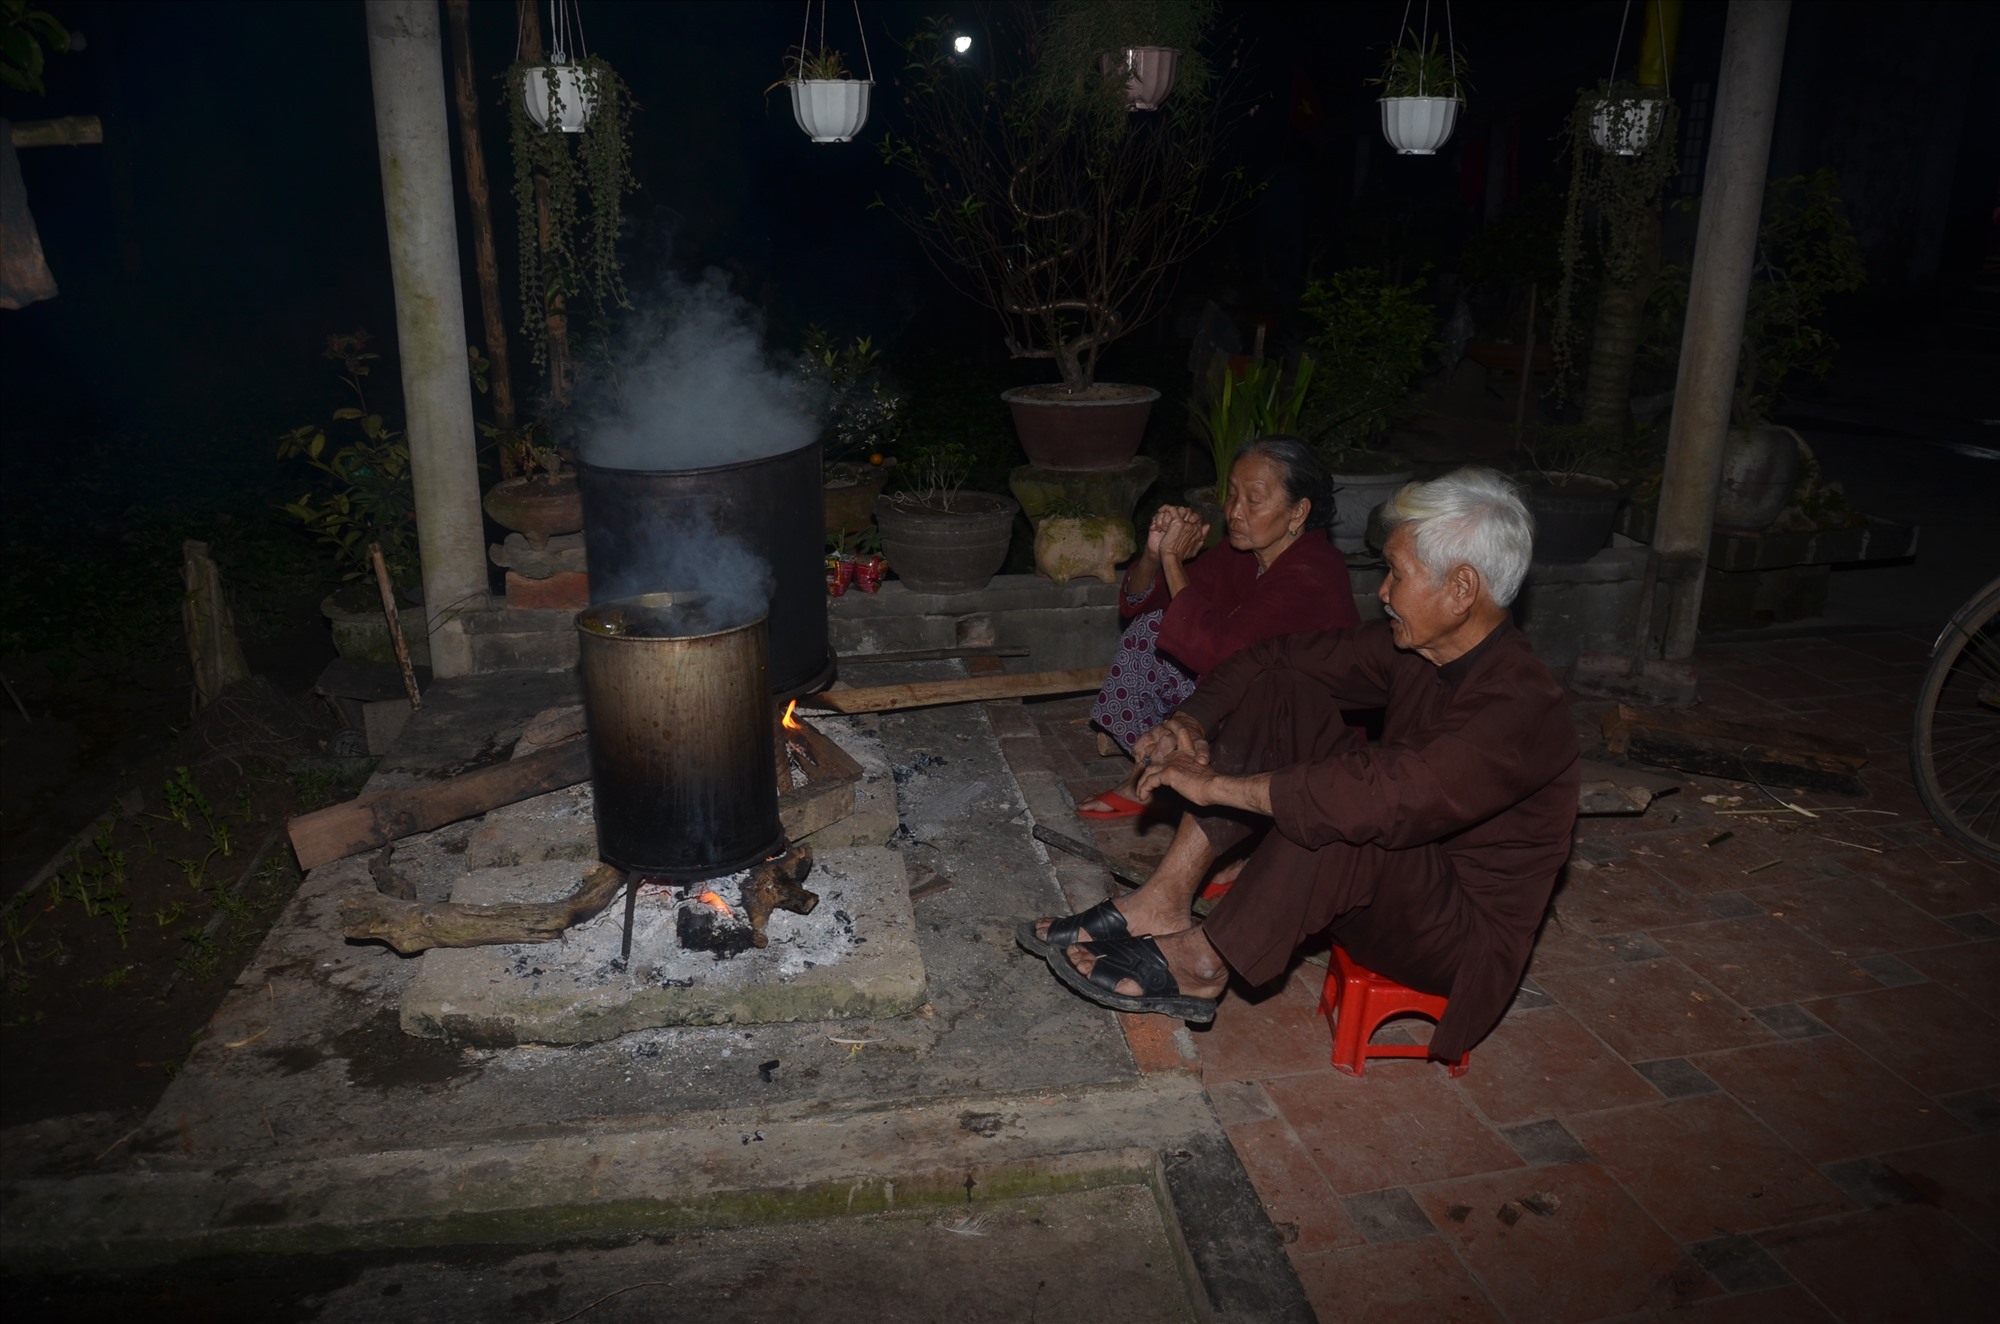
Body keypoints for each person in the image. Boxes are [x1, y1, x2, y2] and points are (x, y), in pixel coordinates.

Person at [1023, 468, 1580, 1064]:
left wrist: (1218, 788)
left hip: (1454, 938)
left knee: (1349, 808)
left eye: (1397, 573)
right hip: (1391, 883)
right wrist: (1192, 721)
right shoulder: (1422, 648)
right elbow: (1268, 660)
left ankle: (1204, 961)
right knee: (1281, 694)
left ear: (1462, 587)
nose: (1384, 593)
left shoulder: (1523, 707)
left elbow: (1385, 797)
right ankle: (1160, 899)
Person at [1080, 437, 1358, 818]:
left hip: (1300, 727)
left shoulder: (1311, 572)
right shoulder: (1244, 553)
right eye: (1231, 496)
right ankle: (1152, 775)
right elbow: (1157, 602)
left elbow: (1218, 653)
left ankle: (1202, 802)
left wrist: (1174, 558)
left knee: (1200, 655)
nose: (1235, 512)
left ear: (1298, 512)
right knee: (1151, 632)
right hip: (1239, 689)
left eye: (1254, 500)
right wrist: (1153, 554)